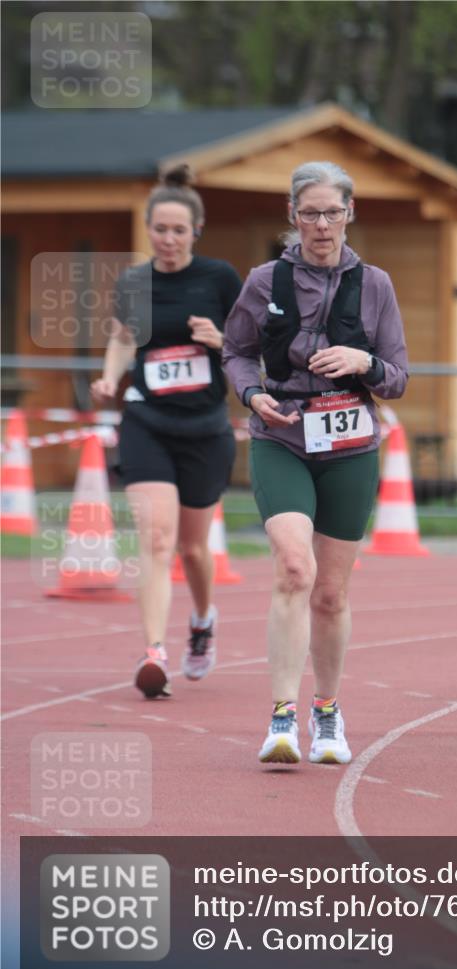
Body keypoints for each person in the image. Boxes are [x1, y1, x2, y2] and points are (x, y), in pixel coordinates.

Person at [223, 160, 409, 765]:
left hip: (351, 445)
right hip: (283, 438)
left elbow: (400, 377)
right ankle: (282, 717)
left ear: (350, 213)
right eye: (310, 213)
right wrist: (253, 395)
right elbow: (237, 351)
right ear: (292, 216)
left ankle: (327, 713)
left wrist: (363, 364)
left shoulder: (376, 284)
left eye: (332, 212)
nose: (321, 225)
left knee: (329, 593)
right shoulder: (264, 280)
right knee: (293, 570)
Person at [91, 165, 241, 698]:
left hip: (205, 428)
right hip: (147, 422)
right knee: (155, 537)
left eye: (179, 230)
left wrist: (218, 338)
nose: (169, 239)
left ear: (195, 231)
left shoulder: (220, 278)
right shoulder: (133, 281)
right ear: (148, 229)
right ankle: (153, 649)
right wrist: (111, 377)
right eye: (160, 229)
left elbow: (250, 350)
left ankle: (201, 621)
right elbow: (122, 338)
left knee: (193, 550)